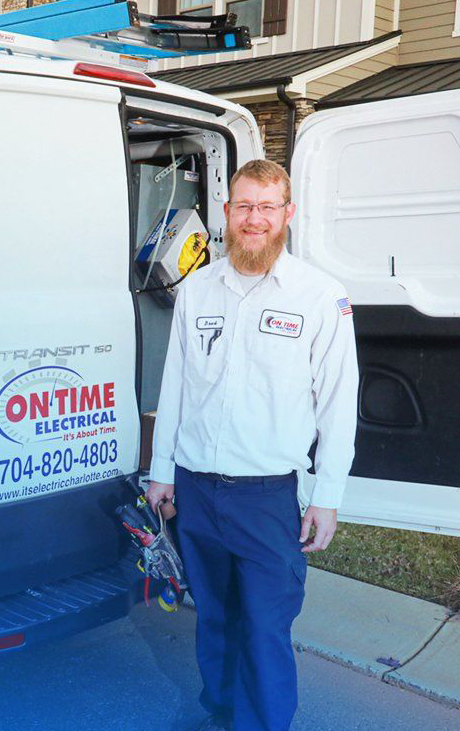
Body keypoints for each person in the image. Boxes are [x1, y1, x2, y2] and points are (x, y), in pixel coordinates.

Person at [146, 159, 358, 731]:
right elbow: (177, 387)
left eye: (267, 207)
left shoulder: (319, 296)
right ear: (227, 213)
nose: (254, 219)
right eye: (244, 206)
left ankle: (262, 723)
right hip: (194, 488)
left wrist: (326, 496)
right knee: (213, 616)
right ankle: (220, 711)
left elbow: (338, 403)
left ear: (288, 214)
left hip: (265, 498)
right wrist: (161, 472)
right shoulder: (198, 290)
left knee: (265, 624)